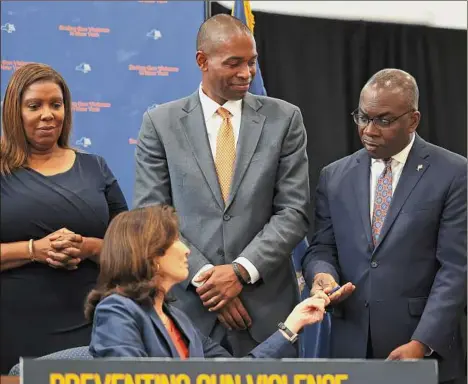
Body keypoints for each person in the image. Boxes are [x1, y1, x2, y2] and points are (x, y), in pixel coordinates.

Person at [133, 14, 310, 356]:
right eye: (234, 63)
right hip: (186, 313)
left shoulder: (285, 119)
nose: (246, 73)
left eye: (252, 62)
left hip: (267, 314)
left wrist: (241, 272)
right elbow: (151, 216)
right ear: (202, 60)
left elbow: (294, 212)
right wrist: (207, 280)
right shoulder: (160, 124)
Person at [301, 68, 466, 384]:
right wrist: (322, 275)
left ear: (413, 121)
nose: (368, 130)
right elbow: (322, 247)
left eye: (383, 121)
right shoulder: (334, 176)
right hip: (349, 348)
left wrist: (421, 343)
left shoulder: (454, 174)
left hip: (421, 350)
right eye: (362, 117)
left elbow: (456, 268)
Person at [0, 63, 128, 373]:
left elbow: (129, 248)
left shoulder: (95, 167)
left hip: (90, 327)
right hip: (13, 328)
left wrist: (88, 247)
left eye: (56, 104)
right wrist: (33, 250)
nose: (48, 114)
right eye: (34, 106)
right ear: (14, 112)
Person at [86, 205, 329, 359]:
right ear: (151, 255)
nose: (186, 251)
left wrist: (292, 324)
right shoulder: (117, 311)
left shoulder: (177, 318)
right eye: (175, 241)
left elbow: (233, 376)